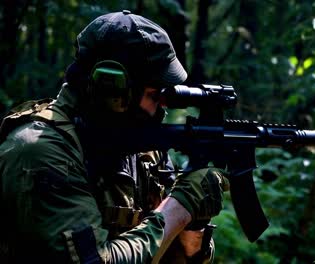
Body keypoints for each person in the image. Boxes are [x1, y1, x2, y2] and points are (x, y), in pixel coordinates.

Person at [0, 10, 228, 263]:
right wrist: (180, 206)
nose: (161, 110)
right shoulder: (40, 151)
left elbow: (178, 257)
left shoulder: (144, 150)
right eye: (154, 95)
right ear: (112, 89)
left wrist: (196, 215)